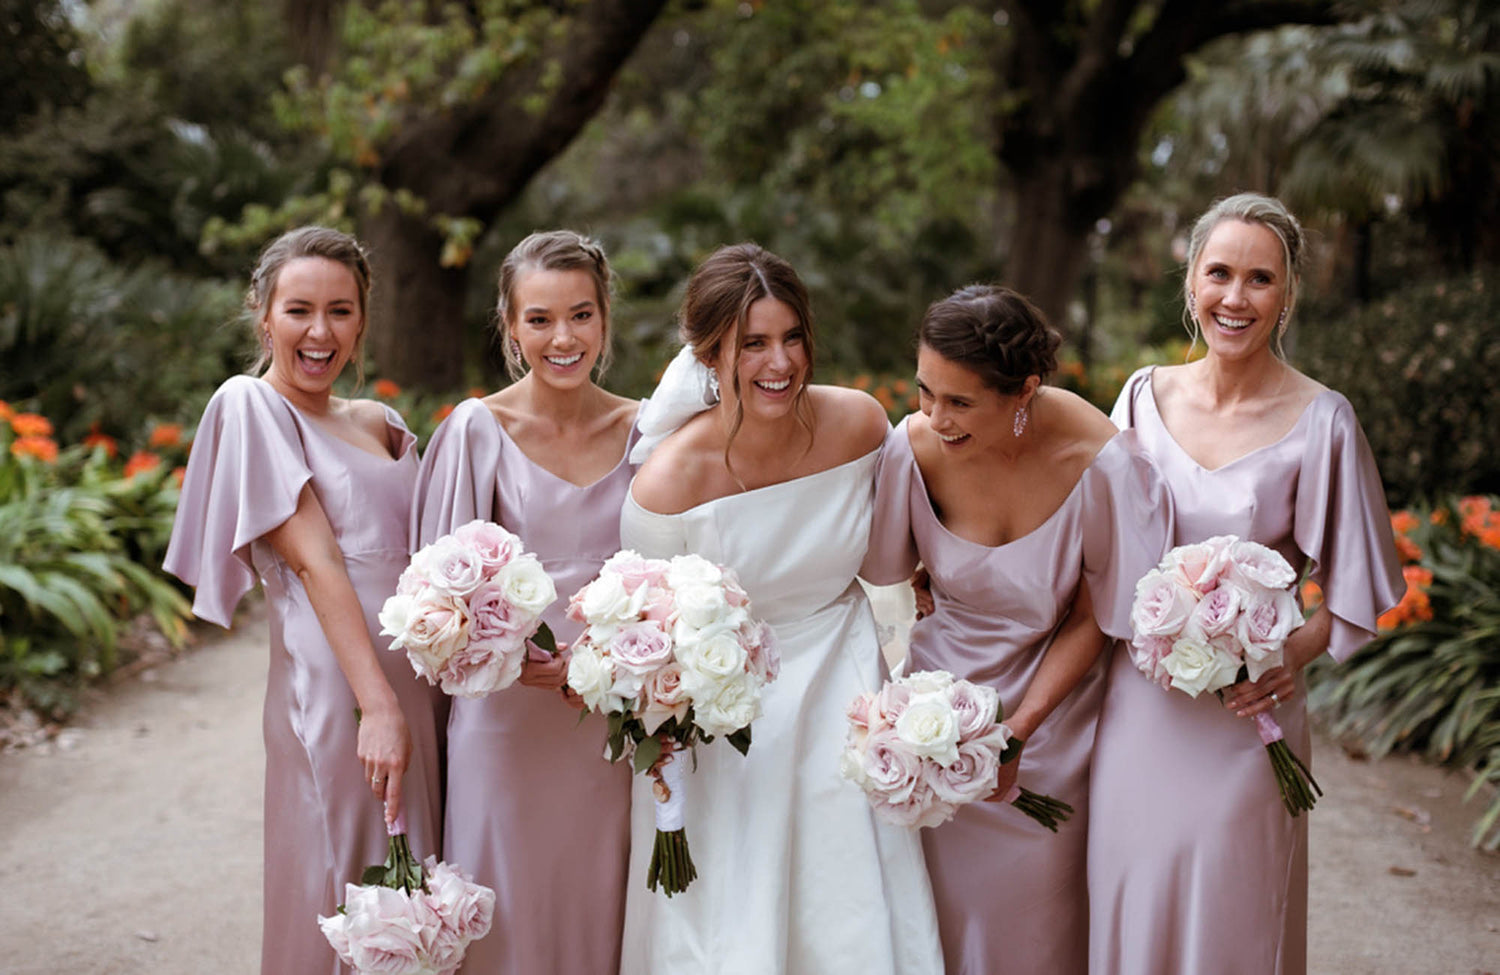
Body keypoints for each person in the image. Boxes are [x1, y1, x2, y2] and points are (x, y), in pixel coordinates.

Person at [1086, 193, 1404, 975]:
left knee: (1232, 911)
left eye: (1260, 279)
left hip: (1248, 716)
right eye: (1219, 272)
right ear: (1191, 281)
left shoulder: (1325, 420)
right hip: (1141, 709)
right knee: (1134, 897)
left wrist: (1292, 652)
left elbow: (1358, 582)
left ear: (1288, 294)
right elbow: (1093, 538)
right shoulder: (1139, 396)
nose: (1236, 297)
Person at [618, 243, 944, 974]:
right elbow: (645, 638)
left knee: (848, 899)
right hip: (730, 717)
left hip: (846, 680)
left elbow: (893, 552)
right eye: (753, 343)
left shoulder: (860, 425)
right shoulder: (670, 480)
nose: (781, 361)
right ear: (711, 353)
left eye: (792, 336)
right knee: (737, 912)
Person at [861, 285, 1173, 974]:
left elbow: (1101, 614)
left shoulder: (1101, 463)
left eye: (960, 402)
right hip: (929, 731)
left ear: (1024, 390)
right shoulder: (911, 446)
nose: (935, 418)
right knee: (925, 925)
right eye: (924, 392)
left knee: (1031, 931)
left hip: (1050, 730)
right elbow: (890, 570)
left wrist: (1018, 729)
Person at [164, 226, 442, 975]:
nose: (321, 332)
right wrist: (376, 704)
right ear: (263, 314)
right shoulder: (253, 405)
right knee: (342, 885)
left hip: (416, 686)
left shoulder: (379, 423)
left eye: (341, 310)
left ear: (363, 318)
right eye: (299, 310)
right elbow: (318, 563)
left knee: (413, 898)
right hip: (339, 690)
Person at [410, 230, 638, 974]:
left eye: (580, 315)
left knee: (601, 904)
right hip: (506, 727)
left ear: (605, 317)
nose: (562, 338)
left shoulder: (649, 433)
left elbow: (678, 569)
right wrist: (525, 661)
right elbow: (435, 607)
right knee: (508, 914)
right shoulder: (476, 432)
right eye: (539, 319)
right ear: (510, 326)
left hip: (611, 725)